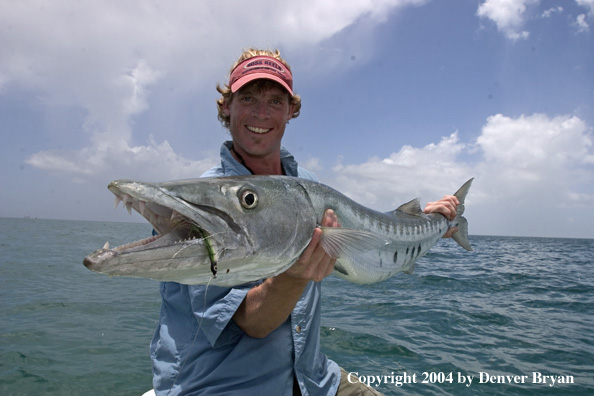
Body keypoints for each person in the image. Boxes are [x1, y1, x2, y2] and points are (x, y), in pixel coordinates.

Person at [149, 48, 460, 396]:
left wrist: (429, 223)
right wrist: (295, 275)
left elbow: (378, 235)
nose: (261, 113)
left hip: (312, 378)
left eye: (275, 101)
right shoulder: (205, 208)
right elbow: (255, 323)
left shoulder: (309, 186)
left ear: (291, 111)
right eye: (248, 98)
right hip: (224, 386)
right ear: (227, 107)